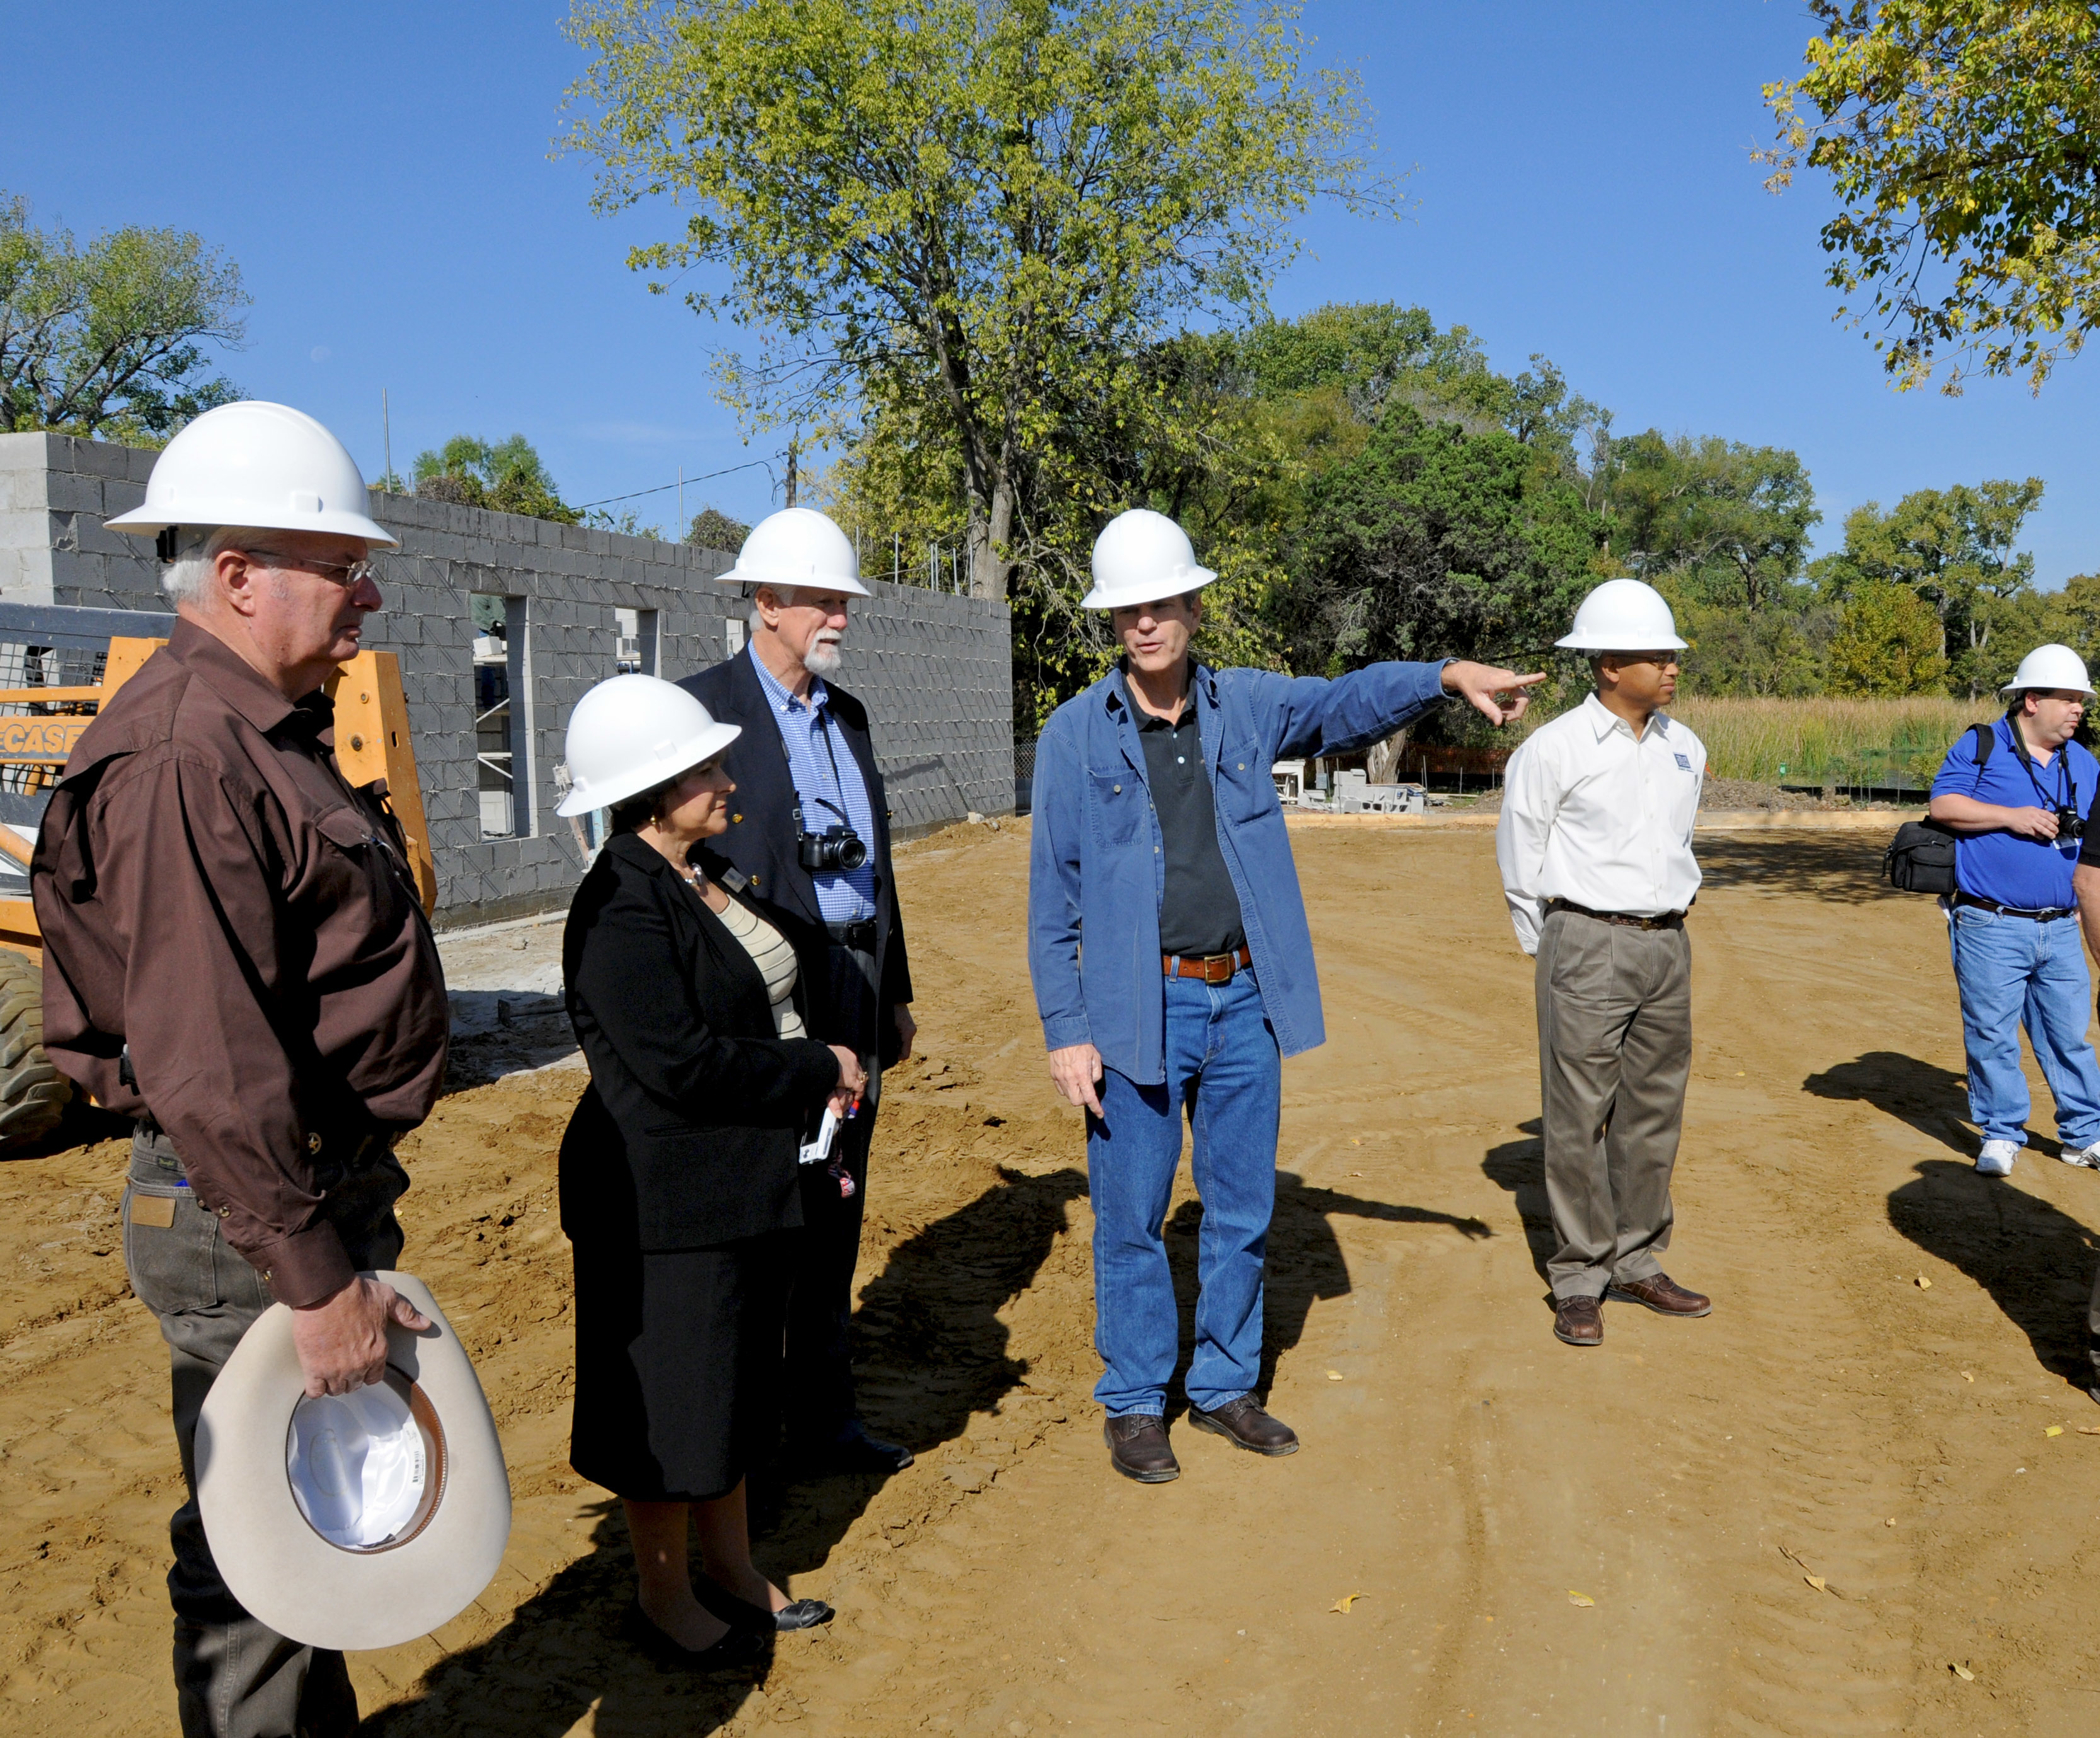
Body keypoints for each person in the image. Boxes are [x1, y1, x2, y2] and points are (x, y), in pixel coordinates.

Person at [32, 401, 449, 1737]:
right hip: (252, 1218)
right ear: (234, 576)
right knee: (254, 1556)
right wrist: (315, 1282)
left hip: (292, 1197)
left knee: (302, 1539)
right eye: (342, 565)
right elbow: (211, 1061)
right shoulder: (181, 755)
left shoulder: (250, 728)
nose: (367, 593)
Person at [1028, 507, 1542, 1483]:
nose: (1145, 624)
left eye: (1161, 604)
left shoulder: (1246, 706)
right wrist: (1067, 1029)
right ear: (1114, 622)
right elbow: (1051, 896)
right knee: (1130, 1214)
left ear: (1191, 606)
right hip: (1137, 1011)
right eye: (1127, 609)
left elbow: (1342, 701)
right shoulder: (1072, 736)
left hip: (1240, 1003)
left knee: (1239, 1207)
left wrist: (1442, 676)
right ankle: (1137, 1402)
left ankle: (1224, 1385)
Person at [556, 674, 866, 1665]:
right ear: (654, 788)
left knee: (729, 1388)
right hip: (663, 1204)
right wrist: (813, 1068)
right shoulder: (618, 907)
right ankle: (663, 1591)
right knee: (670, 1404)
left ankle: (732, 1568)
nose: (731, 781)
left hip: (737, 1182)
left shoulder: (704, 873)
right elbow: (679, 1064)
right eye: (711, 768)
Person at [679, 508, 916, 1477]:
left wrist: (891, 990)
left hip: (852, 980)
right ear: (765, 602)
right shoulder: (700, 713)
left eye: (843, 601)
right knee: (765, 1201)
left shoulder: (846, 715)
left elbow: (882, 869)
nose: (840, 618)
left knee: (836, 1198)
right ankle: (752, 1432)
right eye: (823, 599)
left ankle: (825, 1415)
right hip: (763, 997)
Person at [1495, 578, 1711, 1350]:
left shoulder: (1687, 748)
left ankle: (1638, 1255)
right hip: (1585, 940)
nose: (1673, 667)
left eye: (1673, 654)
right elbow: (1521, 861)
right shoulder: (1551, 751)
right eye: (1658, 655)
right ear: (1609, 664)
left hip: (1668, 942)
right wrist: (1553, 946)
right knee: (1579, 1112)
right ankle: (1580, 1275)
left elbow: (1675, 846)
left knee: (1654, 1108)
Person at [1930, 643, 2100, 1178]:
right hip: (1989, 922)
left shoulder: (2086, 762)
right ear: (2031, 700)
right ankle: (2002, 1132)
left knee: (2068, 1036)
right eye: (2068, 699)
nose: (2078, 709)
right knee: (1991, 1033)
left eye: (2081, 701)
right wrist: (2011, 817)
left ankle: (2084, 1133)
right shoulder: (1982, 745)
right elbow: (1943, 805)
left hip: (2061, 925)